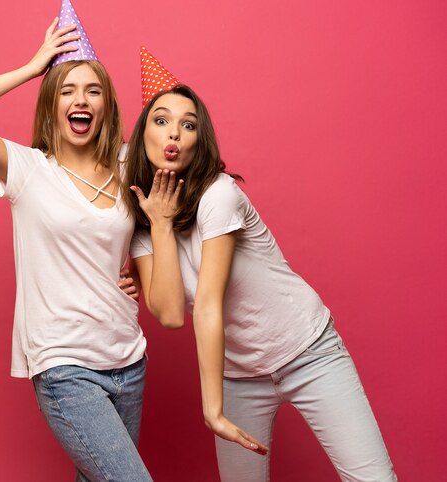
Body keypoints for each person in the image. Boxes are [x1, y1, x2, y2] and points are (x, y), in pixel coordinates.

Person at [124, 83, 397, 481]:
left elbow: (208, 302)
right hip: (238, 374)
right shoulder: (144, 227)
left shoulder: (219, 194)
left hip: (307, 350)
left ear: (200, 141)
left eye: (188, 125)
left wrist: (211, 410)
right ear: (142, 135)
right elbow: (168, 314)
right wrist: (162, 225)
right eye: (161, 120)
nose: (174, 133)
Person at [0, 9, 153, 481]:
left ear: (106, 105)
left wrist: (139, 271)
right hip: (65, 365)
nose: (82, 100)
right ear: (52, 103)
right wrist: (32, 68)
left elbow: (159, 220)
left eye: (93, 91)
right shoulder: (28, 169)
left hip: (128, 358)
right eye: (68, 90)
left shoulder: (127, 162)